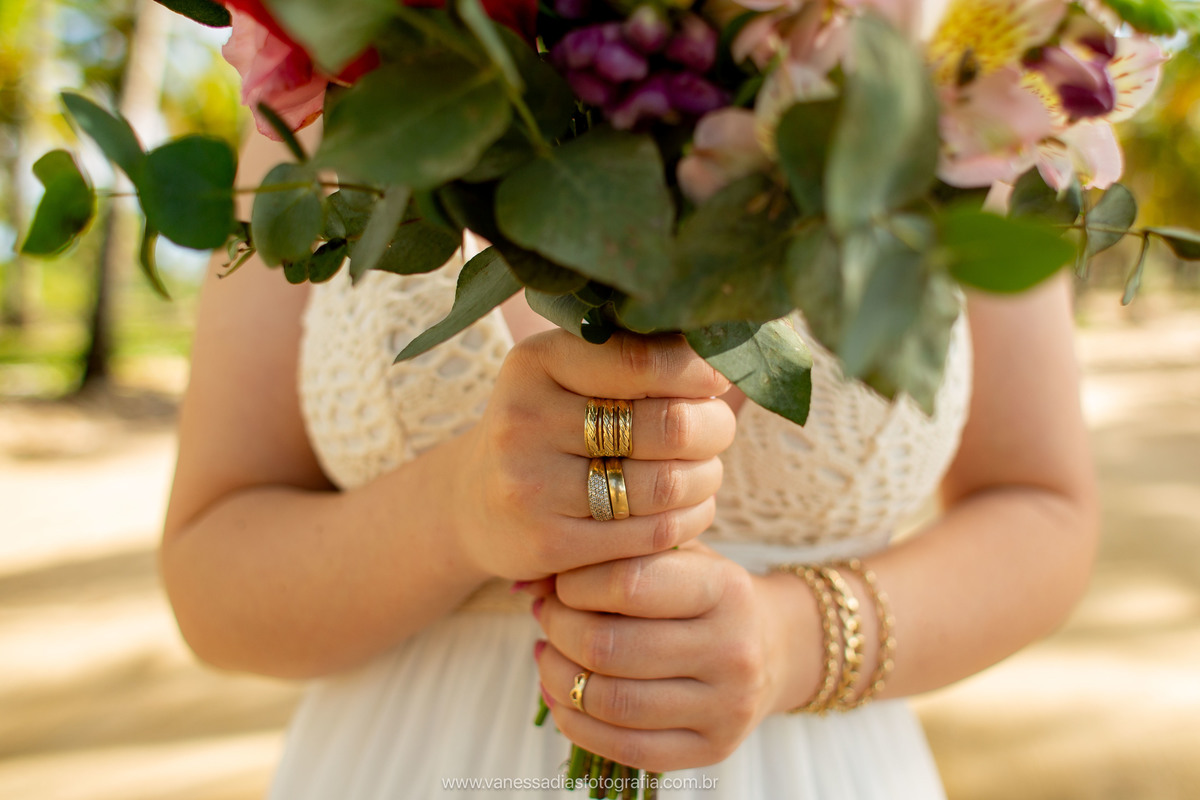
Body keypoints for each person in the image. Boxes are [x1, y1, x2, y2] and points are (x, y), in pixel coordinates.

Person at [160, 126, 1099, 798]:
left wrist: (792, 643)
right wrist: (456, 508)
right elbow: (212, 570)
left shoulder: (975, 79)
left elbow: (1044, 506)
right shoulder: (339, 48)